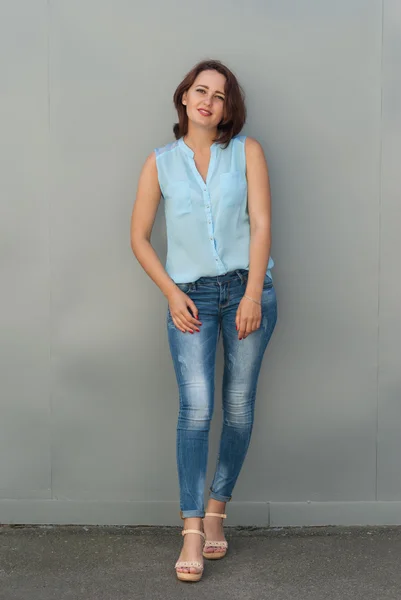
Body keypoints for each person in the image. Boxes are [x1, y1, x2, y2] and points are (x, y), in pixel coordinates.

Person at [130, 59, 277, 583]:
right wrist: (171, 293)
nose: (207, 100)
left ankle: (218, 509)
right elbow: (139, 238)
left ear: (227, 107)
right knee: (195, 409)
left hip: (245, 292)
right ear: (184, 97)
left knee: (237, 406)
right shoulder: (160, 163)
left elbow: (260, 224)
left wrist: (254, 293)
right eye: (200, 90)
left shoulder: (247, 153)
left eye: (218, 94)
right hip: (189, 298)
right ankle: (192, 528)